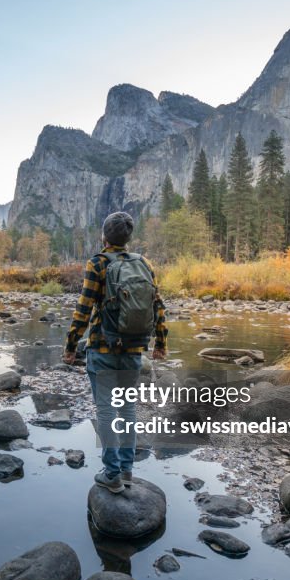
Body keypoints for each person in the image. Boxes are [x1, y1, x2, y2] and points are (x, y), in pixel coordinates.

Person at [62, 211, 168, 494]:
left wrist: (71, 345)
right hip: (134, 350)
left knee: (107, 411)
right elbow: (157, 306)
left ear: (104, 236)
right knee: (128, 409)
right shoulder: (144, 263)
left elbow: (83, 309)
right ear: (128, 237)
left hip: (103, 348)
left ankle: (111, 474)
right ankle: (127, 469)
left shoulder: (98, 263)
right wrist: (161, 343)